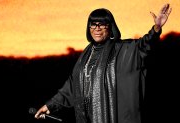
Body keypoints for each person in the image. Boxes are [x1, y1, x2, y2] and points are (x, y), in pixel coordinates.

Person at [34, 3, 172, 123]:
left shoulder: (124, 49)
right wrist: (50, 106)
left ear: (110, 27)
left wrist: (156, 29)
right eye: (93, 24)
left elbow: (144, 46)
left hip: (114, 117)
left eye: (102, 24)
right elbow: (72, 86)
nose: (97, 28)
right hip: (87, 118)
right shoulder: (85, 55)